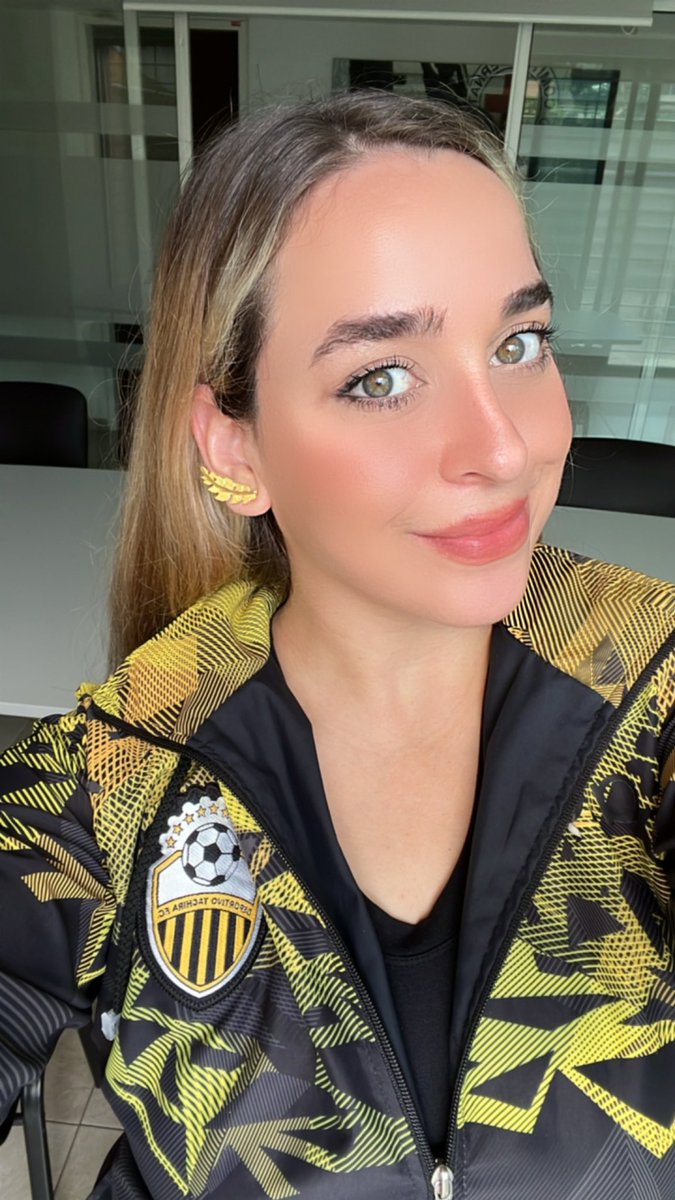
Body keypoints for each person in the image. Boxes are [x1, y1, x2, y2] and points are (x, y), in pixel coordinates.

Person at [1, 91, 674, 1200]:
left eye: (518, 343)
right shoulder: (114, 779)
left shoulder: (652, 689)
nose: (503, 448)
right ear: (235, 450)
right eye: (382, 377)